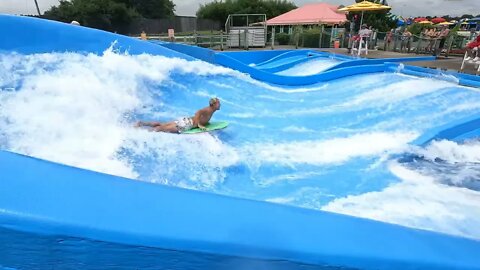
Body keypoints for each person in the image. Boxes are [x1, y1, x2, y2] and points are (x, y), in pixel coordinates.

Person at [136, 97, 221, 133]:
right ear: (213, 105)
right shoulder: (208, 110)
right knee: (161, 129)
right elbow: (198, 112)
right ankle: (143, 133)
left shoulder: (211, 110)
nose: (220, 105)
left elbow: (201, 116)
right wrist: (199, 125)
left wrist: (203, 123)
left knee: (162, 125)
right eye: (218, 103)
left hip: (186, 121)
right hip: (187, 124)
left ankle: (142, 123)